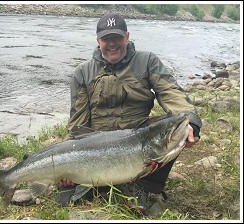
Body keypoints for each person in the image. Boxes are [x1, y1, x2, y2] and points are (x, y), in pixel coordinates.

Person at [57, 13, 201, 213]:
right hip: (97, 142)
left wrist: (191, 122)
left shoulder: (147, 61)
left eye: (117, 37)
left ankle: (144, 187)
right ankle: (83, 182)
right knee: (64, 187)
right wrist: (69, 154)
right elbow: (78, 122)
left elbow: (170, 92)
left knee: (175, 128)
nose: (112, 44)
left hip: (138, 137)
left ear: (127, 37)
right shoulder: (83, 72)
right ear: (98, 41)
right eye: (106, 39)